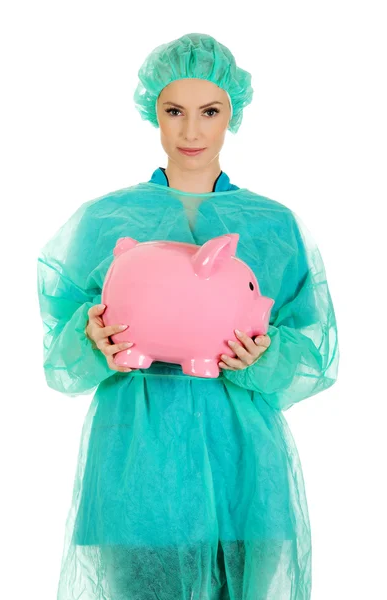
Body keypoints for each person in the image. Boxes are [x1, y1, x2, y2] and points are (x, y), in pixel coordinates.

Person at [37, 33, 339, 600]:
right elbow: (60, 359)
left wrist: (265, 356)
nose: (192, 131)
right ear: (153, 111)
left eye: (210, 112)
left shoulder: (273, 227)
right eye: (175, 111)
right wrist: (90, 339)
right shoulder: (106, 222)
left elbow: (315, 354)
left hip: (243, 466)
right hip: (138, 465)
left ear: (234, 114)